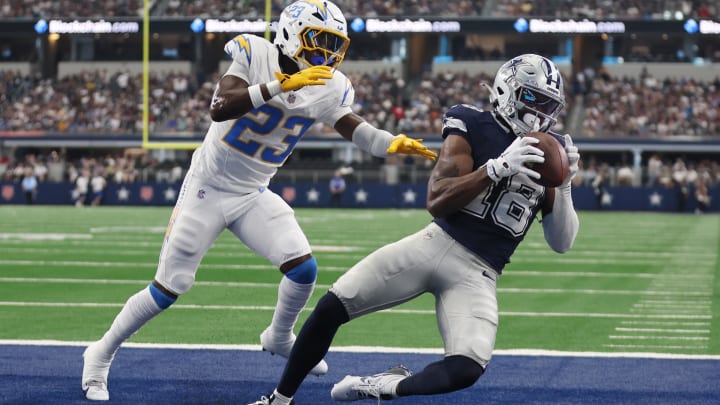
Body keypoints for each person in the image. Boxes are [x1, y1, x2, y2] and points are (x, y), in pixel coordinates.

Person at [80, 0, 436, 401]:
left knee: (303, 269)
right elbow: (220, 108)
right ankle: (100, 354)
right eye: (319, 41)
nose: (327, 55)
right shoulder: (255, 52)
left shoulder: (329, 85)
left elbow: (357, 130)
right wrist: (281, 85)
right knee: (169, 287)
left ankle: (279, 335)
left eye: (335, 45)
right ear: (290, 33)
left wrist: (393, 144)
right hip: (207, 189)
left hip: (252, 193)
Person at [249, 54, 580, 405]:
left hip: (480, 272)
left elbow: (562, 243)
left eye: (550, 105)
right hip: (434, 244)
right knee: (332, 306)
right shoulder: (472, 123)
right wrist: (494, 170)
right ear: (506, 89)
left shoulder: (550, 153)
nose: (541, 113)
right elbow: (437, 200)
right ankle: (280, 400)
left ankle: (383, 386)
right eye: (534, 99)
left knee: (467, 367)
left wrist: (566, 185)